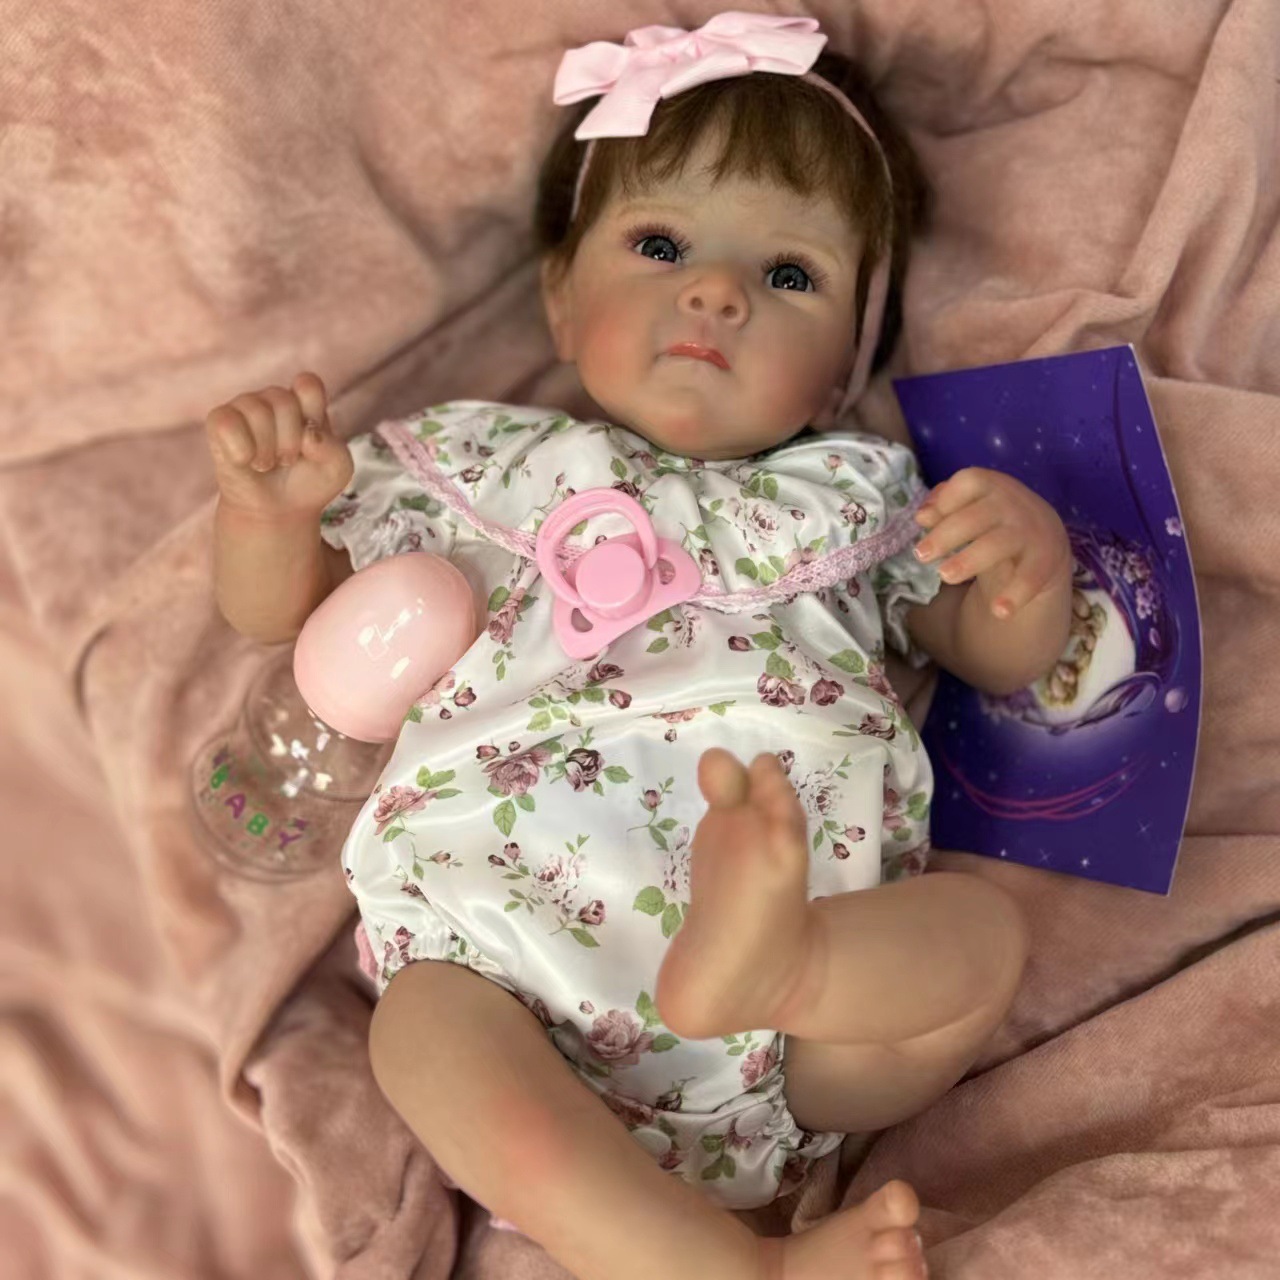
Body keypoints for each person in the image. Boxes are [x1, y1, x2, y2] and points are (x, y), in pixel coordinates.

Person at [205, 15, 1072, 1280]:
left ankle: (783, 962)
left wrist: (1025, 568)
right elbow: (288, 615)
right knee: (421, 1033)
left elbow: (991, 655)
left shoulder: (852, 496)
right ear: (561, 299)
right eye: (659, 244)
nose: (715, 291)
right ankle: (734, 1263)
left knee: (978, 941)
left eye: (789, 275)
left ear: (843, 368)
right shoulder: (479, 464)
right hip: (502, 949)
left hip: (800, 1009)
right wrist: (270, 516)